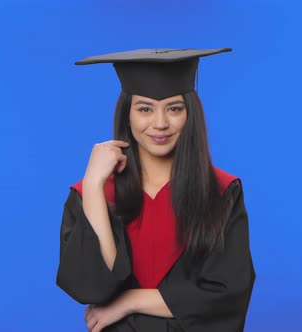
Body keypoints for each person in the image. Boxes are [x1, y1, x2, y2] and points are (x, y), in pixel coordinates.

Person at [56, 48, 256, 332]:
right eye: (145, 109)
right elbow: (93, 287)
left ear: (190, 115)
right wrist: (93, 185)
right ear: (128, 115)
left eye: (174, 108)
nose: (160, 123)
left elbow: (228, 294)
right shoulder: (92, 193)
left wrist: (130, 300)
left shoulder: (221, 192)